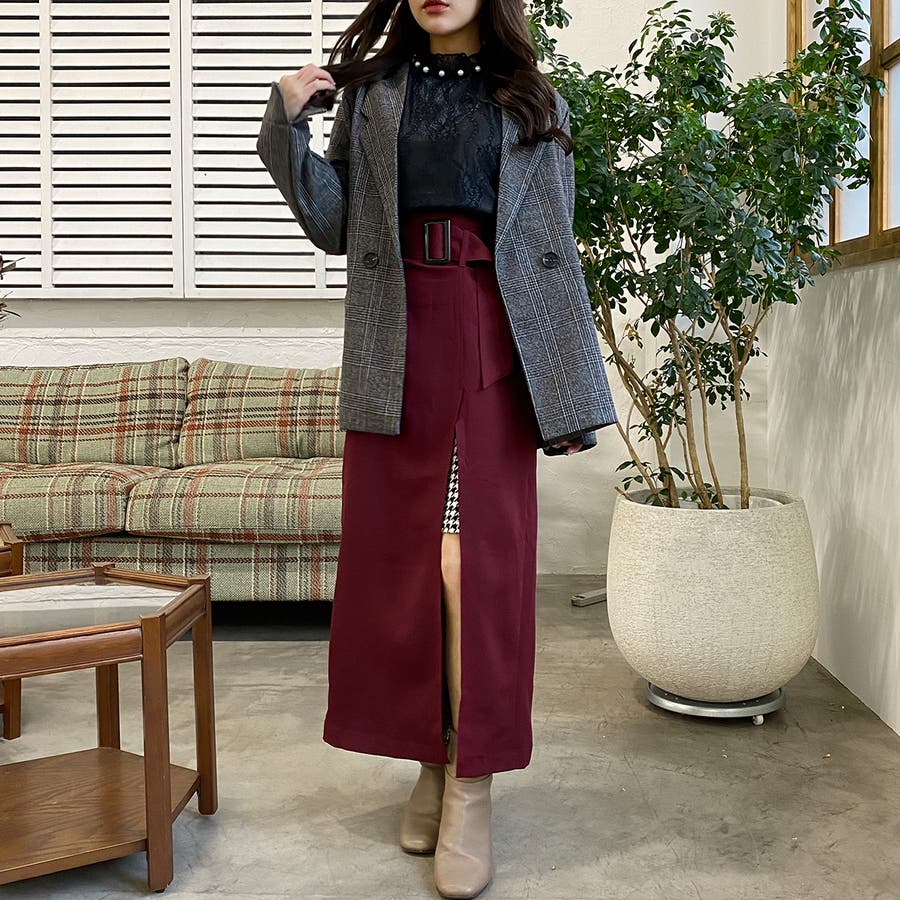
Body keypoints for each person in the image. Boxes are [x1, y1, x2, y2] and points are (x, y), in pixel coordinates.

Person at [256, 1, 618, 897]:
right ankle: (430, 756)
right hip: (393, 338)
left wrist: (564, 388)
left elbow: (550, 246)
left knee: (470, 567)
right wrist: (285, 126)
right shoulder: (376, 93)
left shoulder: (531, 98)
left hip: (489, 329)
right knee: (401, 570)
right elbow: (337, 223)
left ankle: (472, 781)